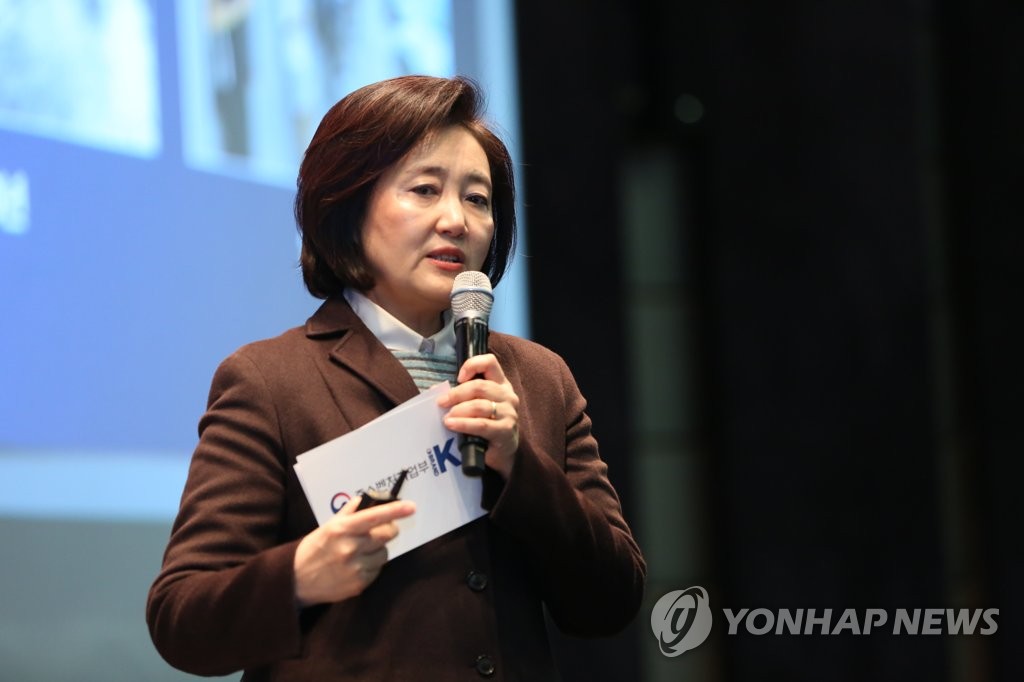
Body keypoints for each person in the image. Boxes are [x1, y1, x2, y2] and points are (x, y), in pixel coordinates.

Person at [146, 74, 645, 681]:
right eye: (425, 190)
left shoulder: (538, 379)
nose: (456, 220)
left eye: (477, 199)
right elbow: (181, 618)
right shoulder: (270, 381)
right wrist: (299, 577)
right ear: (348, 206)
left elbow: (612, 600)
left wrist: (520, 465)